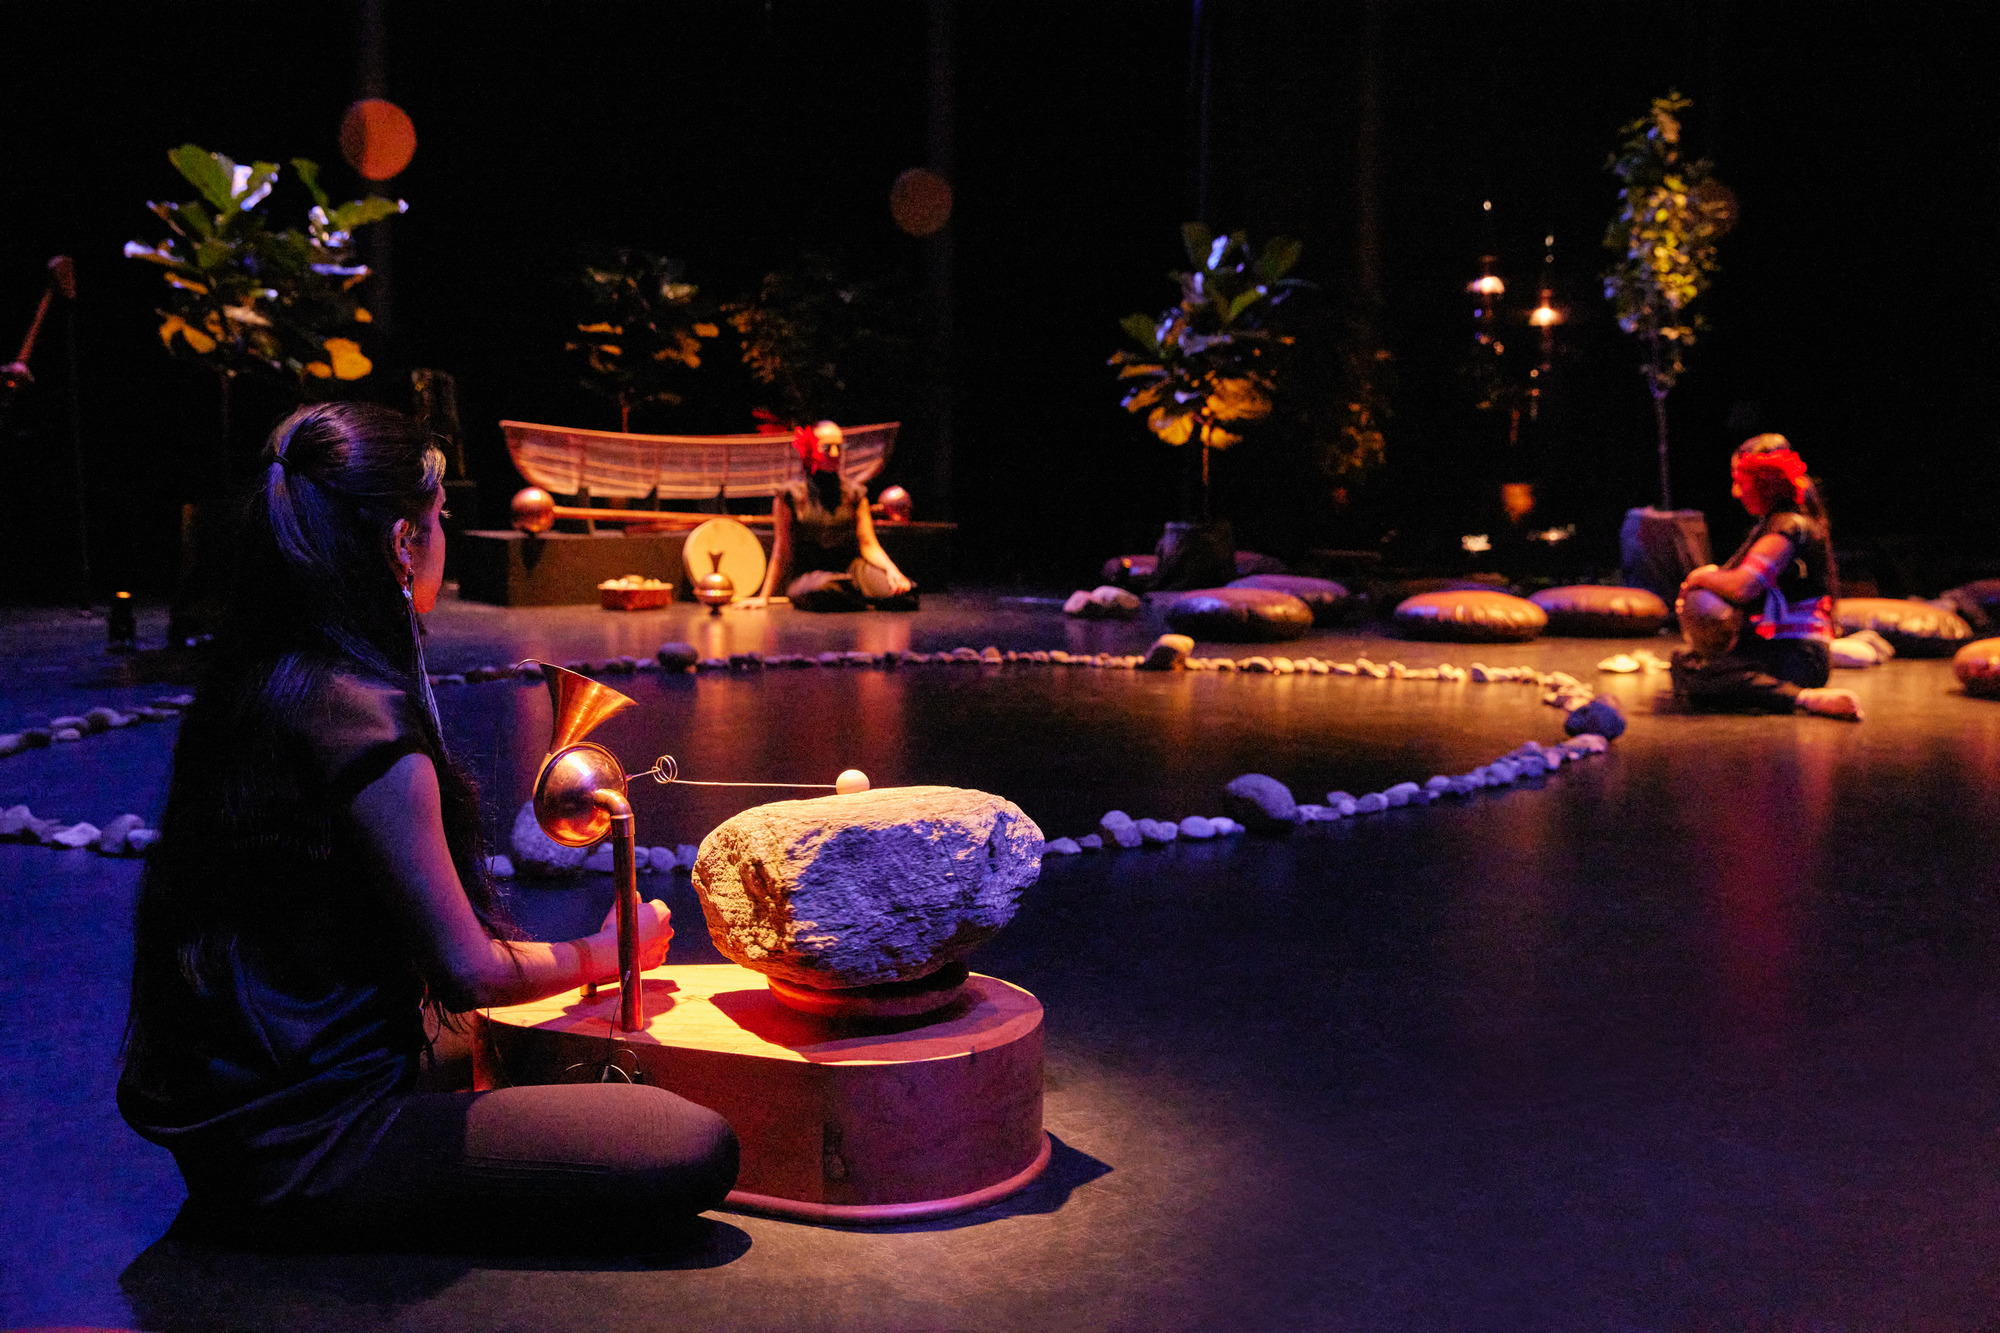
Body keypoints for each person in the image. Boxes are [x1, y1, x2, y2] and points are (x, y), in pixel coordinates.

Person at [119, 403, 738, 1252]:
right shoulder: (359, 719)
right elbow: (468, 967)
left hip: (241, 1106)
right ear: (404, 542)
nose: (446, 532)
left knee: (499, 1047)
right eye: (440, 517)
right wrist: (610, 951)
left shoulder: (259, 677)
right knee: (692, 1143)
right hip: (314, 1140)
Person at [1670, 433, 1862, 720]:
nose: (1737, 492)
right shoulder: (1772, 525)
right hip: (1773, 648)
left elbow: (1743, 587)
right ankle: (1774, 689)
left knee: (1704, 679)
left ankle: (1803, 698)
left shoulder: (1790, 526)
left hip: (1799, 656)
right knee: (1684, 664)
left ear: (1766, 481)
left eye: (1742, 481)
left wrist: (1700, 578)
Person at [739, 420, 915, 611]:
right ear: (810, 450)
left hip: (851, 570)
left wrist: (892, 571)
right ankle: (854, 594)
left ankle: (854, 592)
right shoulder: (790, 495)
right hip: (809, 576)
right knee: (825, 588)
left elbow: (869, 545)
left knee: (903, 592)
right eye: (827, 447)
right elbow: (781, 550)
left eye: (839, 447)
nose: (835, 453)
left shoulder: (854, 494)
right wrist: (764, 597)